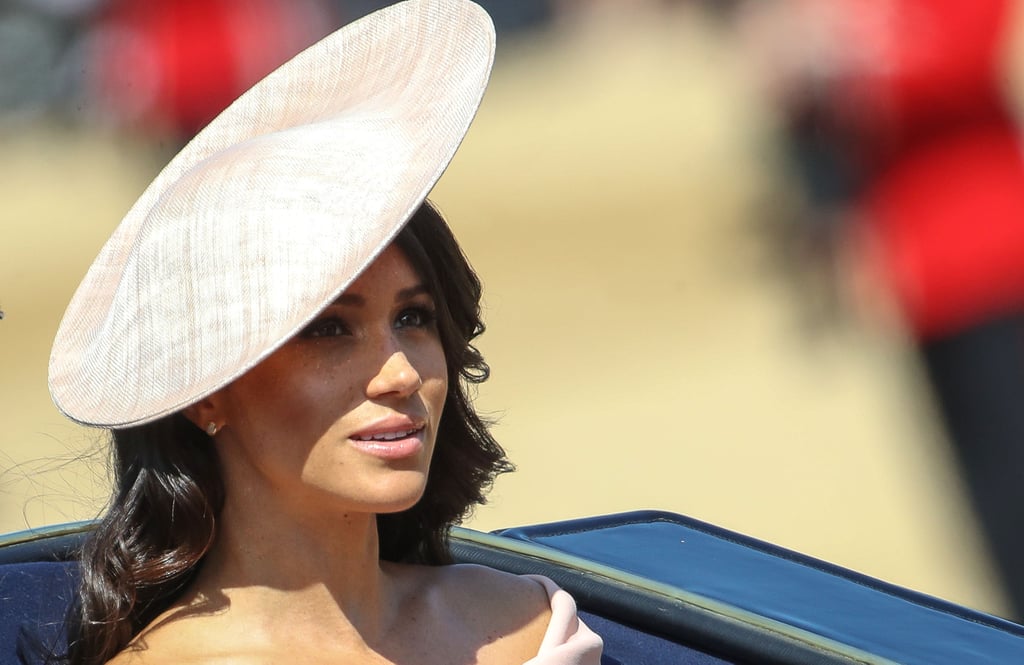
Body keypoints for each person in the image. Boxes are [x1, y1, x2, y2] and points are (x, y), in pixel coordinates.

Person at [44, 1, 603, 663]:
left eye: (413, 317)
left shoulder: (529, 624)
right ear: (205, 393)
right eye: (330, 329)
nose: (400, 374)